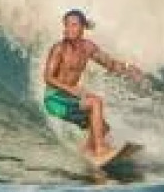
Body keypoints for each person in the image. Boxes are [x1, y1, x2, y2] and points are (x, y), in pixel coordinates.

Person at [42, 9, 148, 165]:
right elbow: (47, 77)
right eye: (67, 25)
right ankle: (100, 149)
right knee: (95, 102)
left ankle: (88, 151)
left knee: (103, 128)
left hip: (69, 98)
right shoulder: (59, 49)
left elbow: (110, 64)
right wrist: (70, 89)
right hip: (54, 98)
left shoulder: (88, 48)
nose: (69, 29)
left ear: (82, 27)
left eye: (74, 25)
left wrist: (128, 68)